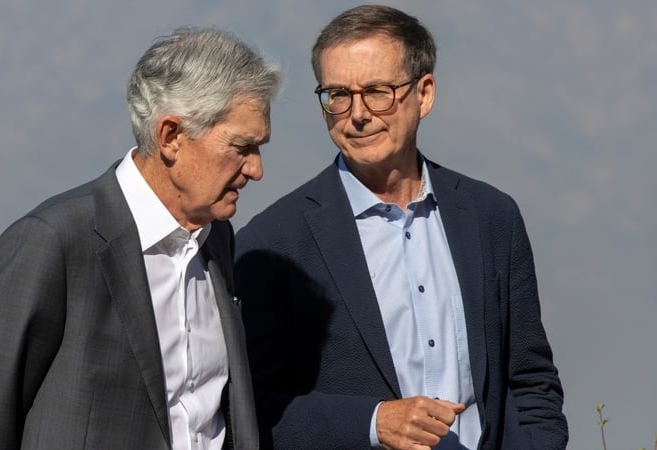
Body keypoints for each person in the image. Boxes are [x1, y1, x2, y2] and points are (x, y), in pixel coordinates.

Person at [234, 5, 567, 450]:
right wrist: (373, 423)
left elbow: (530, 380)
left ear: (424, 93)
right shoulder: (274, 244)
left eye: (377, 91)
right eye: (338, 94)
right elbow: (252, 410)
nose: (358, 114)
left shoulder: (492, 218)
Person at [0, 26, 281, 450]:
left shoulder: (217, 241)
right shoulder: (52, 242)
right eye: (242, 147)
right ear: (171, 137)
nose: (256, 169)